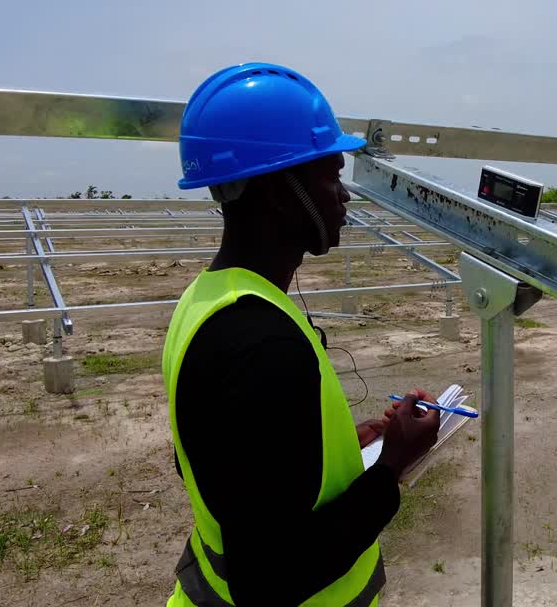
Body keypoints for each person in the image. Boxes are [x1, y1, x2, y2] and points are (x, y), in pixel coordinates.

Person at [162, 63, 441, 607]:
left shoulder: (207, 300)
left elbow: (211, 460)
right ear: (277, 188)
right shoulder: (262, 343)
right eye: (330, 175)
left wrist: (330, 449)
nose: (343, 195)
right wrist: (391, 467)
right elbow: (269, 579)